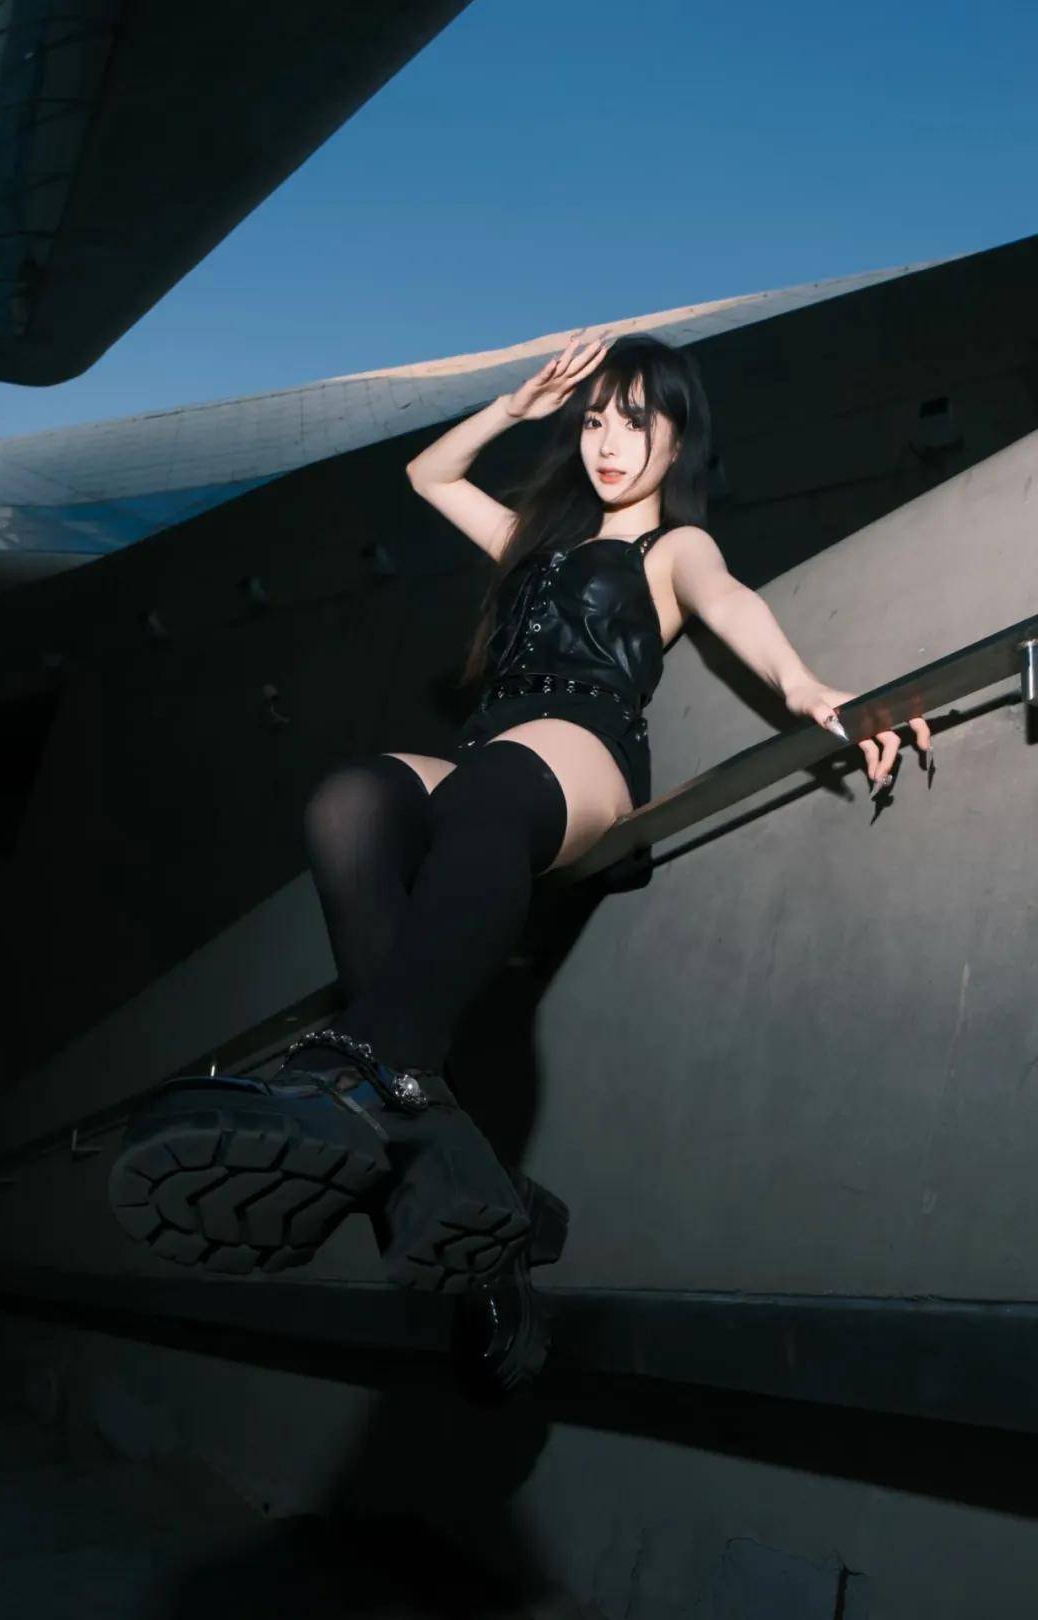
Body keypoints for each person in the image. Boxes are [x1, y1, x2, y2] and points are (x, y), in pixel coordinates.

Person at [109, 330, 930, 1384]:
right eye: (596, 420)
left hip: (585, 751)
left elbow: (732, 603)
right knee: (348, 801)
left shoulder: (673, 548)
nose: (609, 442)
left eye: (636, 421)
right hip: (492, 752)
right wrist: (514, 407)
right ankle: (457, 1174)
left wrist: (809, 688)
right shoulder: (534, 544)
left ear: (679, 437)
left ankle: (364, 1074)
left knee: (491, 788)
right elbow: (427, 475)